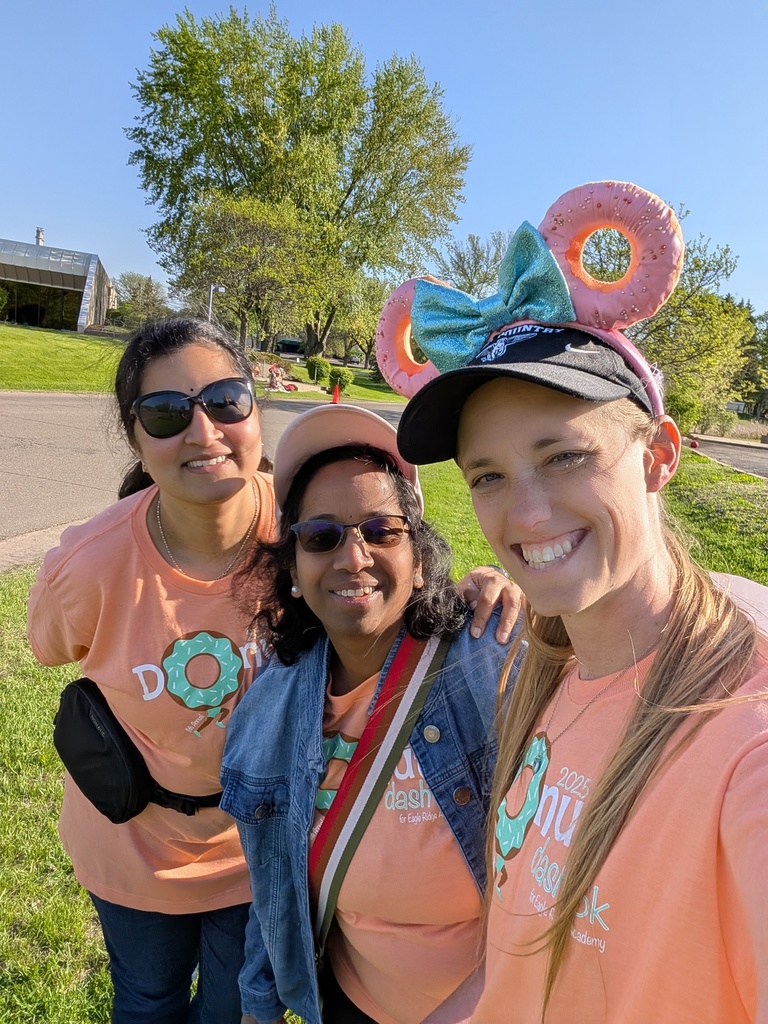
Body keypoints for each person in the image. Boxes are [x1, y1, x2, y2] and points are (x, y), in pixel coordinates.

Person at [25, 318, 517, 1024]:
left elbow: (383, 549)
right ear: (135, 438)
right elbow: (49, 647)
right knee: (147, 1000)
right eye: (165, 413)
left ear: (255, 412)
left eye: (226, 400)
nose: (203, 433)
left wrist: (484, 582)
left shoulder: (302, 516)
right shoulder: (91, 564)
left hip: (258, 849)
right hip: (134, 847)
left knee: (231, 1011)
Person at [390, 182, 768, 1023]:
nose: (525, 516)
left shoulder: (742, 733)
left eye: (563, 456)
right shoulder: (544, 669)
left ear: (659, 455)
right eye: (487, 476)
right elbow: (515, 964)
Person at [220, 404, 523, 1024]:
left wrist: (527, 591)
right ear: (296, 572)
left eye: (381, 530)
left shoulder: (490, 663)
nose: (352, 557)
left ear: (418, 558)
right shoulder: (267, 711)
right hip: (350, 1005)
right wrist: (258, 1007)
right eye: (321, 536)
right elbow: (272, 886)